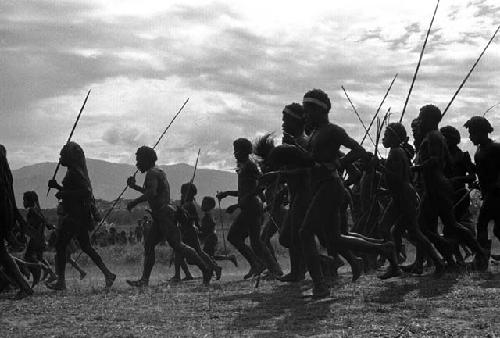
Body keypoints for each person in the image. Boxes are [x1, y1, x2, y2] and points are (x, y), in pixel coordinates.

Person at [299, 89, 398, 297]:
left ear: (320, 110)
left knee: (305, 232)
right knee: (334, 239)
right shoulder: (315, 133)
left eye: (308, 110)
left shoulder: (332, 131)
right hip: (322, 187)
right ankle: (384, 249)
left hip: (330, 186)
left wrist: (337, 164)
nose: (305, 115)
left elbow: (359, 150)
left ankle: (320, 286)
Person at [409, 105, 486, 272]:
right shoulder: (431, 136)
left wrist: (416, 168)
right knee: (445, 224)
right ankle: (458, 255)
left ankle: (454, 250)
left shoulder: (434, 137)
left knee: (426, 226)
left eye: (422, 118)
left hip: (436, 187)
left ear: (430, 120)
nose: (420, 121)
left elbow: (435, 160)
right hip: (435, 187)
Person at [125, 146, 213, 287]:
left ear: (146, 160)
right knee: (149, 245)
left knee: (178, 245)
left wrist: (134, 202)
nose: (137, 164)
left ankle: (206, 269)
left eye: (139, 160)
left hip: (164, 215)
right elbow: (153, 193)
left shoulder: (151, 174)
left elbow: (151, 194)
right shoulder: (158, 172)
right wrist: (134, 187)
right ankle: (144, 280)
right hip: (161, 216)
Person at [378, 123, 445, 277]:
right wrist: (386, 190)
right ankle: (396, 265)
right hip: (402, 196)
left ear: (395, 138)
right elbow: (402, 179)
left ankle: (396, 266)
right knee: (396, 231)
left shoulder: (396, 152)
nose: (383, 139)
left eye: (386, 135)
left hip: (404, 197)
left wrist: (381, 168)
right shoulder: (398, 152)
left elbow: (399, 179)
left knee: (400, 229)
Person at [47, 142, 115, 290]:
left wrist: (63, 192)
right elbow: (75, 190)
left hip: (75, 216)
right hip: (80, 216)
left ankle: (61, 282)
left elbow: (85, 192)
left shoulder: (74, 172)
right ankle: (108, 273)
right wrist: (58, 186)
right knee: (86, 246)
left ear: (70, 157)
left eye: (62, 154)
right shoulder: (75, 171)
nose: (60, 157)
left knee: (60, 245)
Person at [217, 138, 280, 279]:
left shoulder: (251, 166)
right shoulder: (244, 166)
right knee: (255, 242)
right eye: (234, 150)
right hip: (250, 207)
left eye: (237, 150)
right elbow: (246, 191)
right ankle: (264, 266)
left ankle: (262, 265)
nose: (234, 153)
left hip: (252, 207)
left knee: (235, 237)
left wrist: (238, 204)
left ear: (246, 151)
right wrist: (227, 194)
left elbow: (261, 185)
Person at [464, 116, 500, 267]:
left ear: (482, 132)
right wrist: (469, 166)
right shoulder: (478, 151)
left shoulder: (495, 148)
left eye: (473, 133)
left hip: (497, 194)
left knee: (482, 223)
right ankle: (483, 257)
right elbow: (481, 173)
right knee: (498, 228)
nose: (470, 137)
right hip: (488, 193)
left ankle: (482, 258)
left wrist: (495, 186)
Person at [0, 145, 33, 299]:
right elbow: (12, 199)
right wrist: (18, 218)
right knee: (3, 253)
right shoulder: (7, 174)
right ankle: (16, 281)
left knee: (2, 253)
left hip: (3, 215)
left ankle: (21, 284)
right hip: (6, 215)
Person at [172, 183, 222, 282]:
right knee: (179, 253)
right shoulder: (186, 204)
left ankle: (214, 268)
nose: (181, 194)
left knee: (198, 252)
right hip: (185, 231)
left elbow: (194, 218)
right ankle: (178, 275)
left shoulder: (190, 205)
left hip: (190, 231)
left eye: (183, 192)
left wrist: (184, 214)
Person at [22, 191, 57, 286]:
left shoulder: (31, 211)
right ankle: (51, 273)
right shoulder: (38, 210)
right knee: (40, 258)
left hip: (35, 239)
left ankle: (42, 273)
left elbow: (32, 226)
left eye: (24, 200)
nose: (23, 202)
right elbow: (42, 221)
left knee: (28, 257)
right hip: (41, 239)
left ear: (29, 201)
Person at [198, 196, 238, 266]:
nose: (202, 205)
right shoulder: (207, 215)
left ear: (209, 206)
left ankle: (215, 268)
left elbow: (207, 229)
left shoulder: (208, 216)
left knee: (207, 256)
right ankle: (229, 258)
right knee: (210, 256)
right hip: (211, 238)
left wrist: (199, 230)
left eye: (204, 204)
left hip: (210, 238)